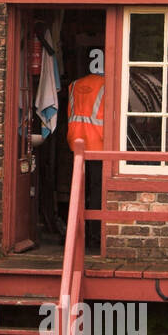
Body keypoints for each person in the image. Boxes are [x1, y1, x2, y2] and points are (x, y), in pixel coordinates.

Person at [66, 65, 105, 248]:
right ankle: (94, 235)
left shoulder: (74, 85)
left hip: (75, 141)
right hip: (98, 143)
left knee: (78, 189)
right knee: (96, 190)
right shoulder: (107, 85)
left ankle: (75, 233)